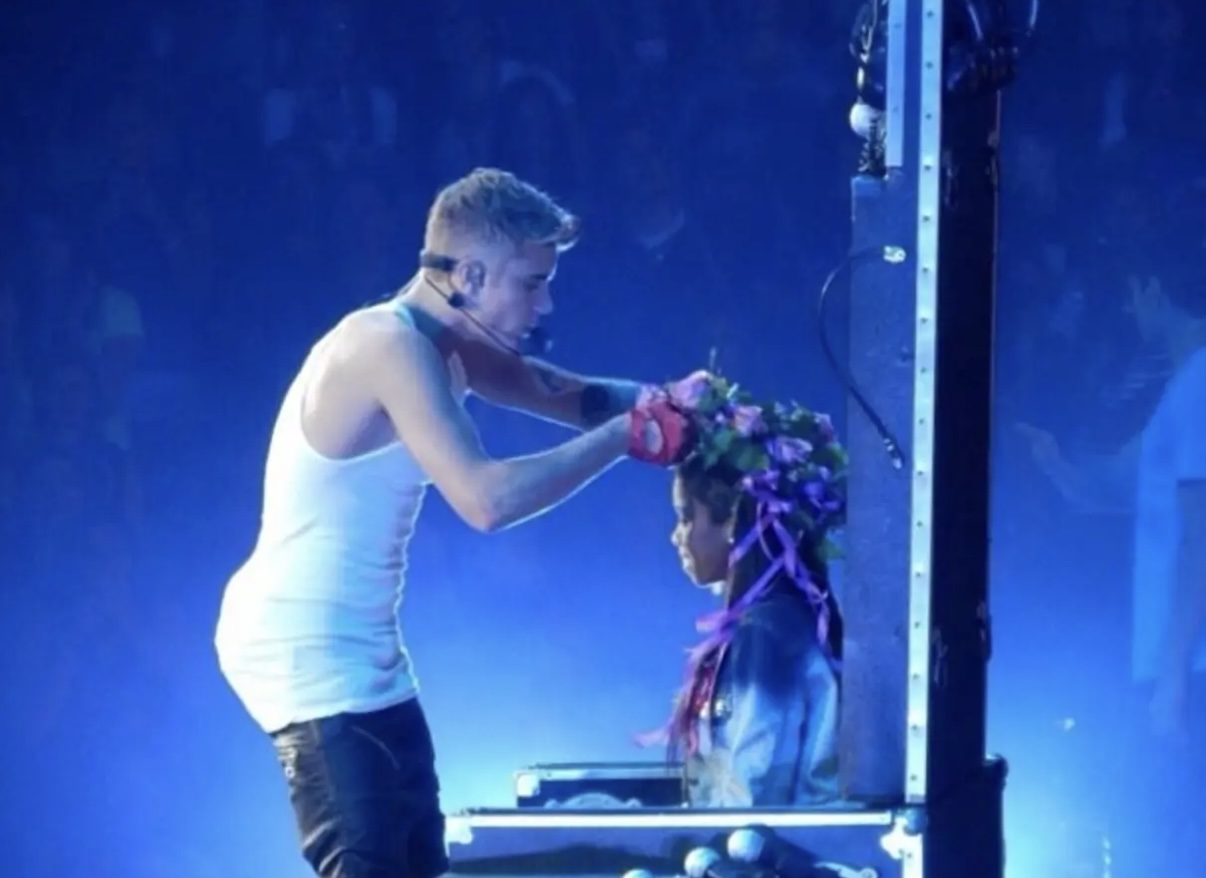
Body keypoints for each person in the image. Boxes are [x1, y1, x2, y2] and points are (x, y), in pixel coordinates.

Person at [214, 168, 697, 878]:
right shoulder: (385, 345)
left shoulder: (448, 345)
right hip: (304, 647)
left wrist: (681, 400)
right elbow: (485, 499)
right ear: (468, 274)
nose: (545, 303)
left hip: (364, 651)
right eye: (531, 282)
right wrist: (628, 435)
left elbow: (565, 394)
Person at [1017, 268, 1206, 876]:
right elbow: (1120, 495)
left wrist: (1173, 677)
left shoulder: (1200, 384)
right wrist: (1054, 464)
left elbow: (1199, 538)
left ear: (1154, 289)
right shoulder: (1181, 389)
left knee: (1166, 840)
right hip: (1169, 660)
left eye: (1131, 295)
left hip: (1188, 665)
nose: (1128, 312)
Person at [640, 371, 846, 807]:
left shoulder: (767, 631)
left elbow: (751, 793)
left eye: (686, 517)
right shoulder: (776, 622)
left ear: (734, 519)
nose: (676, 536)